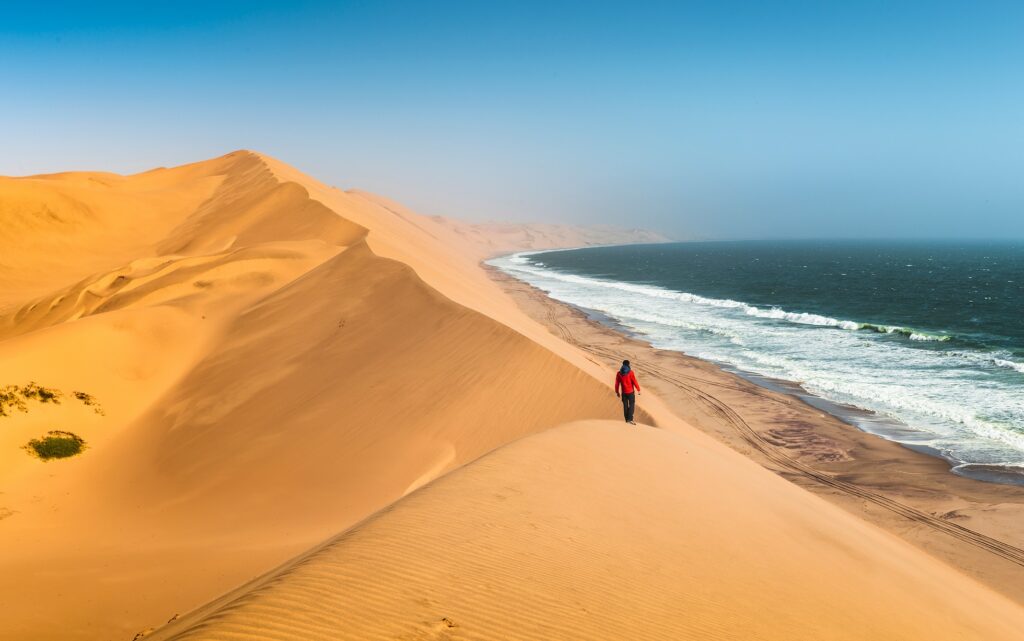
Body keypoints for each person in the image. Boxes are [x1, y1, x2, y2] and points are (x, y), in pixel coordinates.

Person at [614, 359, 640, 425]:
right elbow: (634, 381)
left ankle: (626, 420)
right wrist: (638, 389)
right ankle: (630, 419)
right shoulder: (630, 372)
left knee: (625, 406)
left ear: (623, 364)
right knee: (632, 404)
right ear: (628, 364)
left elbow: (617, 383)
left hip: (624, 393)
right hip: (630, 392)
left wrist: (617, 391)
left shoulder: (619, 373)